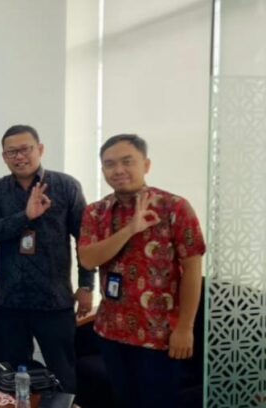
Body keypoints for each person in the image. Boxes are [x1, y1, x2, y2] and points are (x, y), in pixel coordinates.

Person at [77, 134, 205, 408]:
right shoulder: (96, 212)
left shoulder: (174, 207)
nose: (118, 170)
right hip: (111, 331)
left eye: (127, 161)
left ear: (146, 165)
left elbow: (193, 269)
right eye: (110, 164)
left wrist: (185, 328)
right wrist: (129, 230)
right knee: (123, 401)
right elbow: (87, 259)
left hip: (159, 335)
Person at [0, 125, 94, 393]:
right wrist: (26, 217)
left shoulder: (65, 186)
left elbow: (85, 239)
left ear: (40, 149)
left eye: (25, 149)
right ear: (4, 157)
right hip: (10, 300)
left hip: (54, 300)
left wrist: (87, 285)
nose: (19, 157)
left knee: (62, 374)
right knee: (14, 377)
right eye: (12, 152)